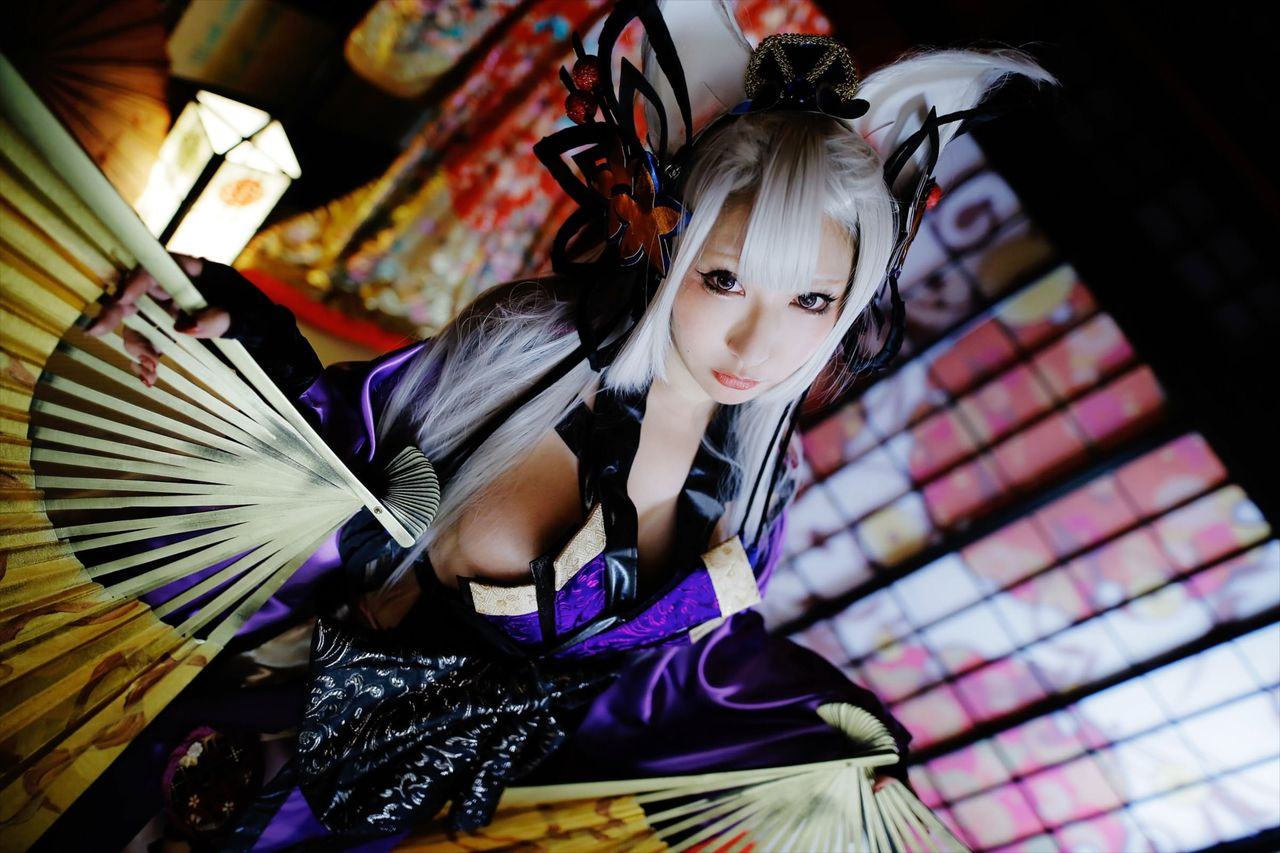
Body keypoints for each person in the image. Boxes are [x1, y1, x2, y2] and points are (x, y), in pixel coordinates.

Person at [43, 1, 1059, 849]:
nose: (761, 340)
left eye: (811, 301)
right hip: (228, 757)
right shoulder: (527, 353)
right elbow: (331, 450)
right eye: (723, 278)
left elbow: (678, 680)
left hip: (407, 827)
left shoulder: (756, 477)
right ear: (665, 241)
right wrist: (245, 338)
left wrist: (830, 740)